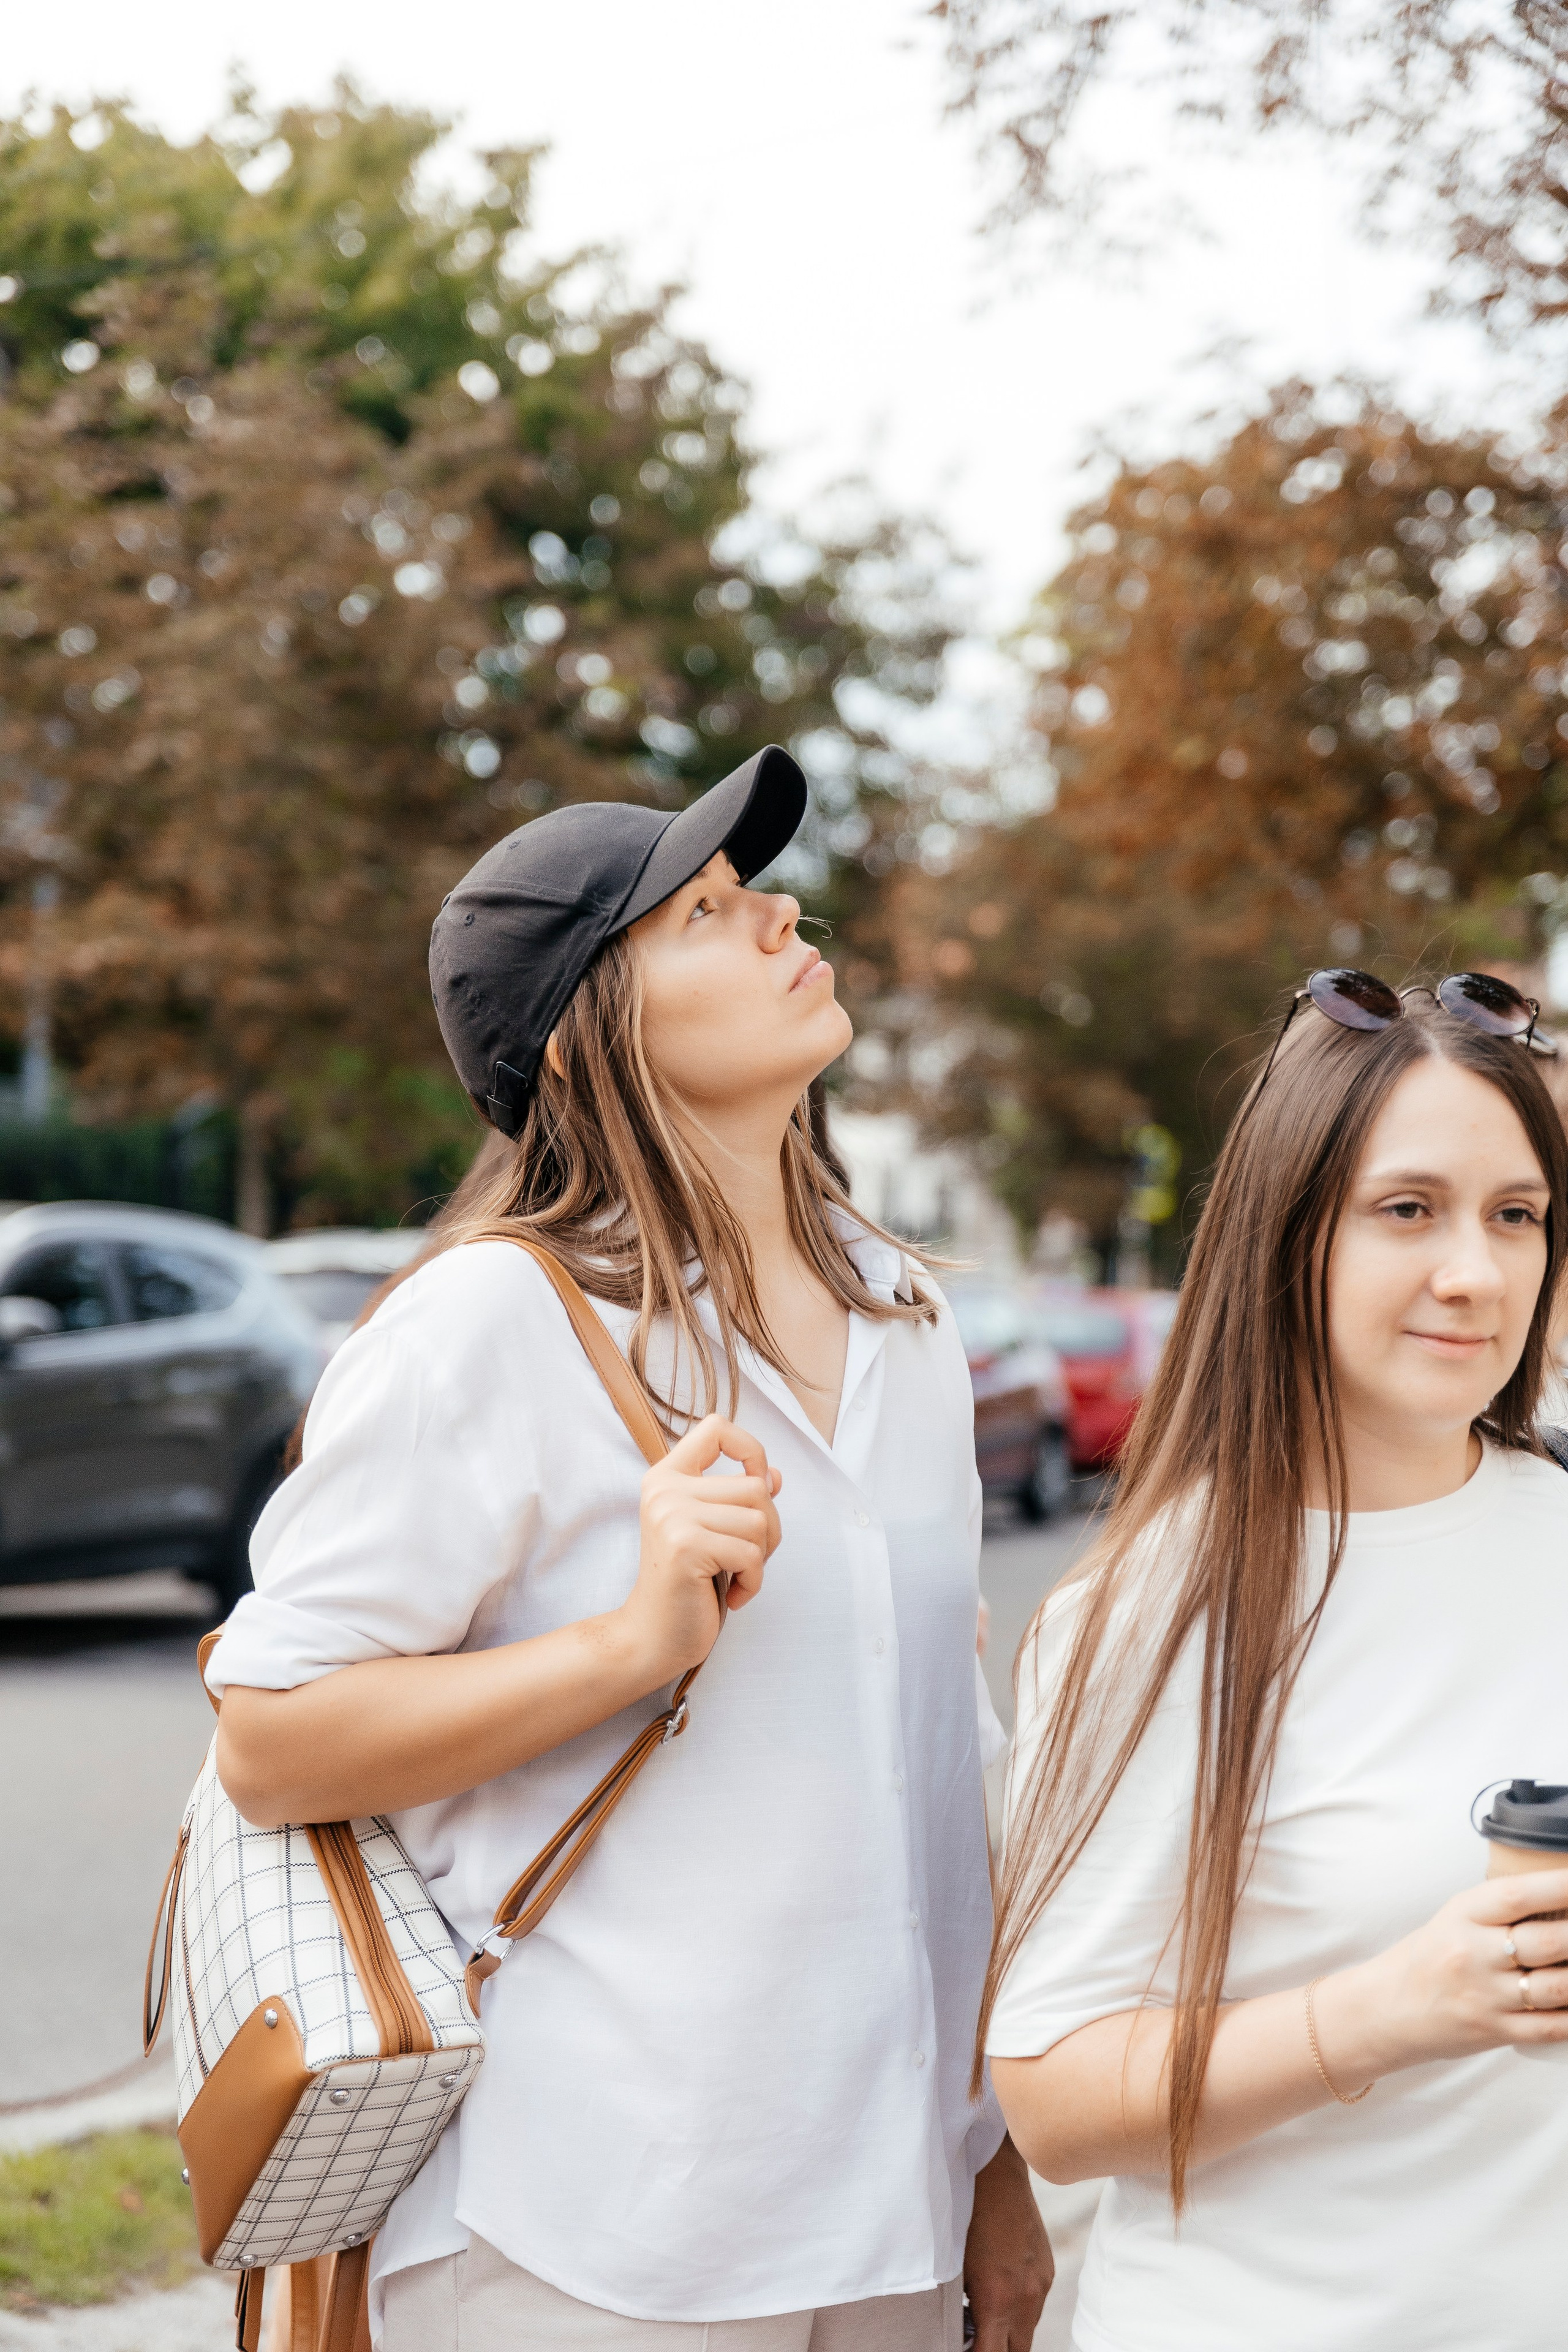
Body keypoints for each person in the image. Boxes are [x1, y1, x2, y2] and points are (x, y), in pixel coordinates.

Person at [205, 747, 1052, 2351]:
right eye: (711, 911)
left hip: (892, 2208)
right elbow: (270, 1739)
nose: (780, 911)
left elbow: (951, 1770)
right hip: (590, 2226)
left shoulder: (905, 1312)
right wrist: (628, 1643)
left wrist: (996, 2171)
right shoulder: (489, 1321)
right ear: (600, 1021)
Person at [982, 968, 1568, 2352]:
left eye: (1516, 1216)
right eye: (1405, 1211)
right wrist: (1389, 2011)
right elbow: (1054, 2100)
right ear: (1285, 1233)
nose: (1472, 1272)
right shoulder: (1160, 1605)